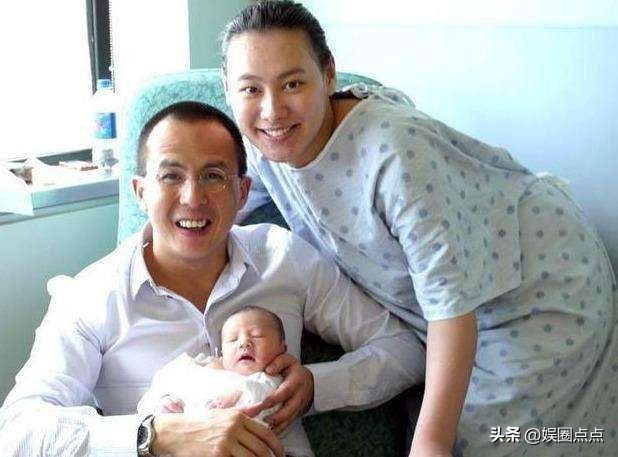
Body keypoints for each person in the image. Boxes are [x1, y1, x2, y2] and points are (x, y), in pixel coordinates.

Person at [221, 1, 618, 456]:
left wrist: (431, 443)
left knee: (504, 441)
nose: (272, 109)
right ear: (228, 90)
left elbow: (451, 306)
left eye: (293, 83)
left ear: (328, 75)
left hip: (536, 285)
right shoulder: (260, 143)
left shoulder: (395, 155)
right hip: (456, 302)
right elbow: (223, 203)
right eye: (251, 89)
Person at [0, 101, 425, 457]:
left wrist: (318, 387)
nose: (193, 198)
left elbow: (406, 348)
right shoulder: (91, 295)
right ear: (141, 191)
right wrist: (154, 435)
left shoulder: (284, 258)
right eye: (171, 176)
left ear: (243, 193)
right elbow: (18, 432)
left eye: (213, 176)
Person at [137, 306, 286, 424]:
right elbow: (158, 387)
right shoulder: (197, 366)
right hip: (180, 438)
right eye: (233, 339)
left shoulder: (270, 379)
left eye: (257, 336)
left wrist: (240, 393)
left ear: (282, 349)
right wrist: (162, 402)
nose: (244, 343)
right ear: (222, 352)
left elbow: (267, 401)